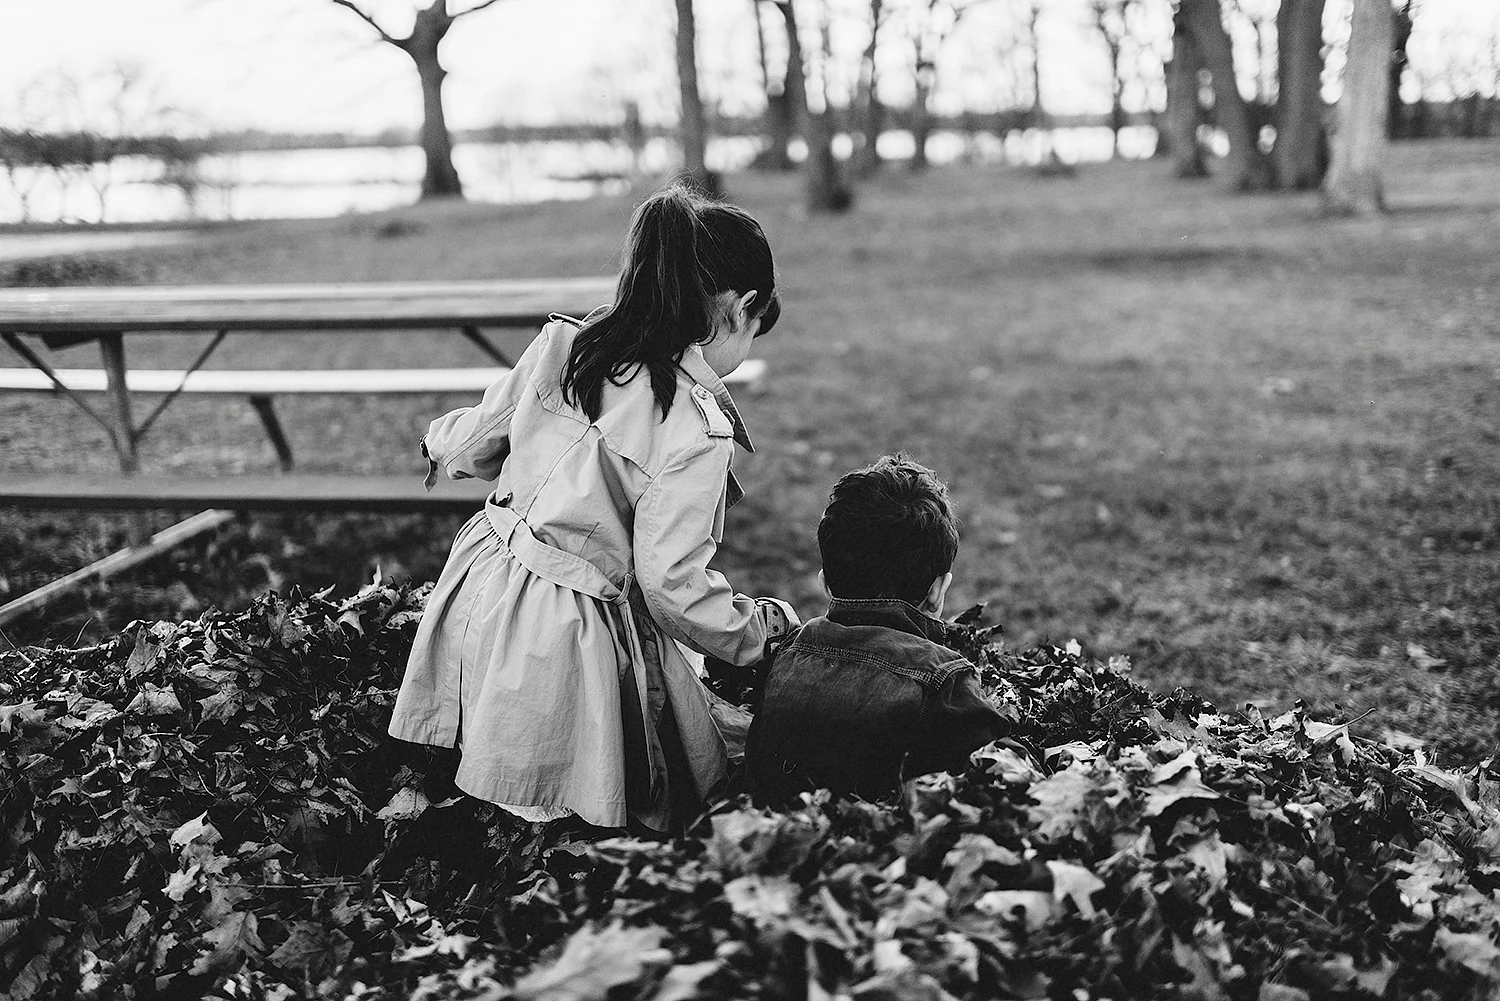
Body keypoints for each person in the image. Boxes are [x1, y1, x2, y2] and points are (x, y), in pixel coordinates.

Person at [389, 185, 798, 835]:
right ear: (740, 306)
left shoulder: (569, 346)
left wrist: (438, 443)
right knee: (568, 797)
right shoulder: (694, 428)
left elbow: (475, 441)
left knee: (494, 757)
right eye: (753, 330)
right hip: (561, 630)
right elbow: (672, 587)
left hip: (481, 580)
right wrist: (759, 637)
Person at [744, 454, 1007, 807]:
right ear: (937, 591)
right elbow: (1004, 773)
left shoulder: (784, 658)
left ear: (825, 583)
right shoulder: (944, 684)